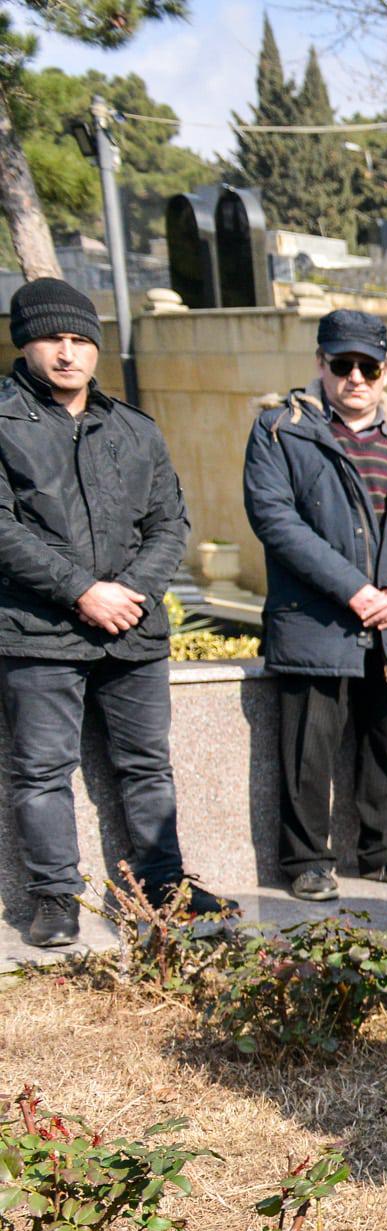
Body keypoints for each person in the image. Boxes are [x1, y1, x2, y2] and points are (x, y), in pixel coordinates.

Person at [0, 278, 229, 947]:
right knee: (40, 770)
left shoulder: (135, 428)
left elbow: (170, 522)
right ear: (26, 342)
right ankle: (53, 899)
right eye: (52, 339)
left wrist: (129, 592)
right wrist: (81, 591)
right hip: (37, 633)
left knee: (147, 765)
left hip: (133, 631)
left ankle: (165, 888)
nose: (68, 354)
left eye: (80, 340)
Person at [243, 309, 387, 903]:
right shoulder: (280, 431)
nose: (356, 377)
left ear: (386, 370)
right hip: (319, 622)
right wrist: (354, 589)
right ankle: (307, 861)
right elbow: (276, 521)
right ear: (321, 365)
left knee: (385, 743)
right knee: (306, 749)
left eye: (369, 366)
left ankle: (386, 852)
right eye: (343, 365)